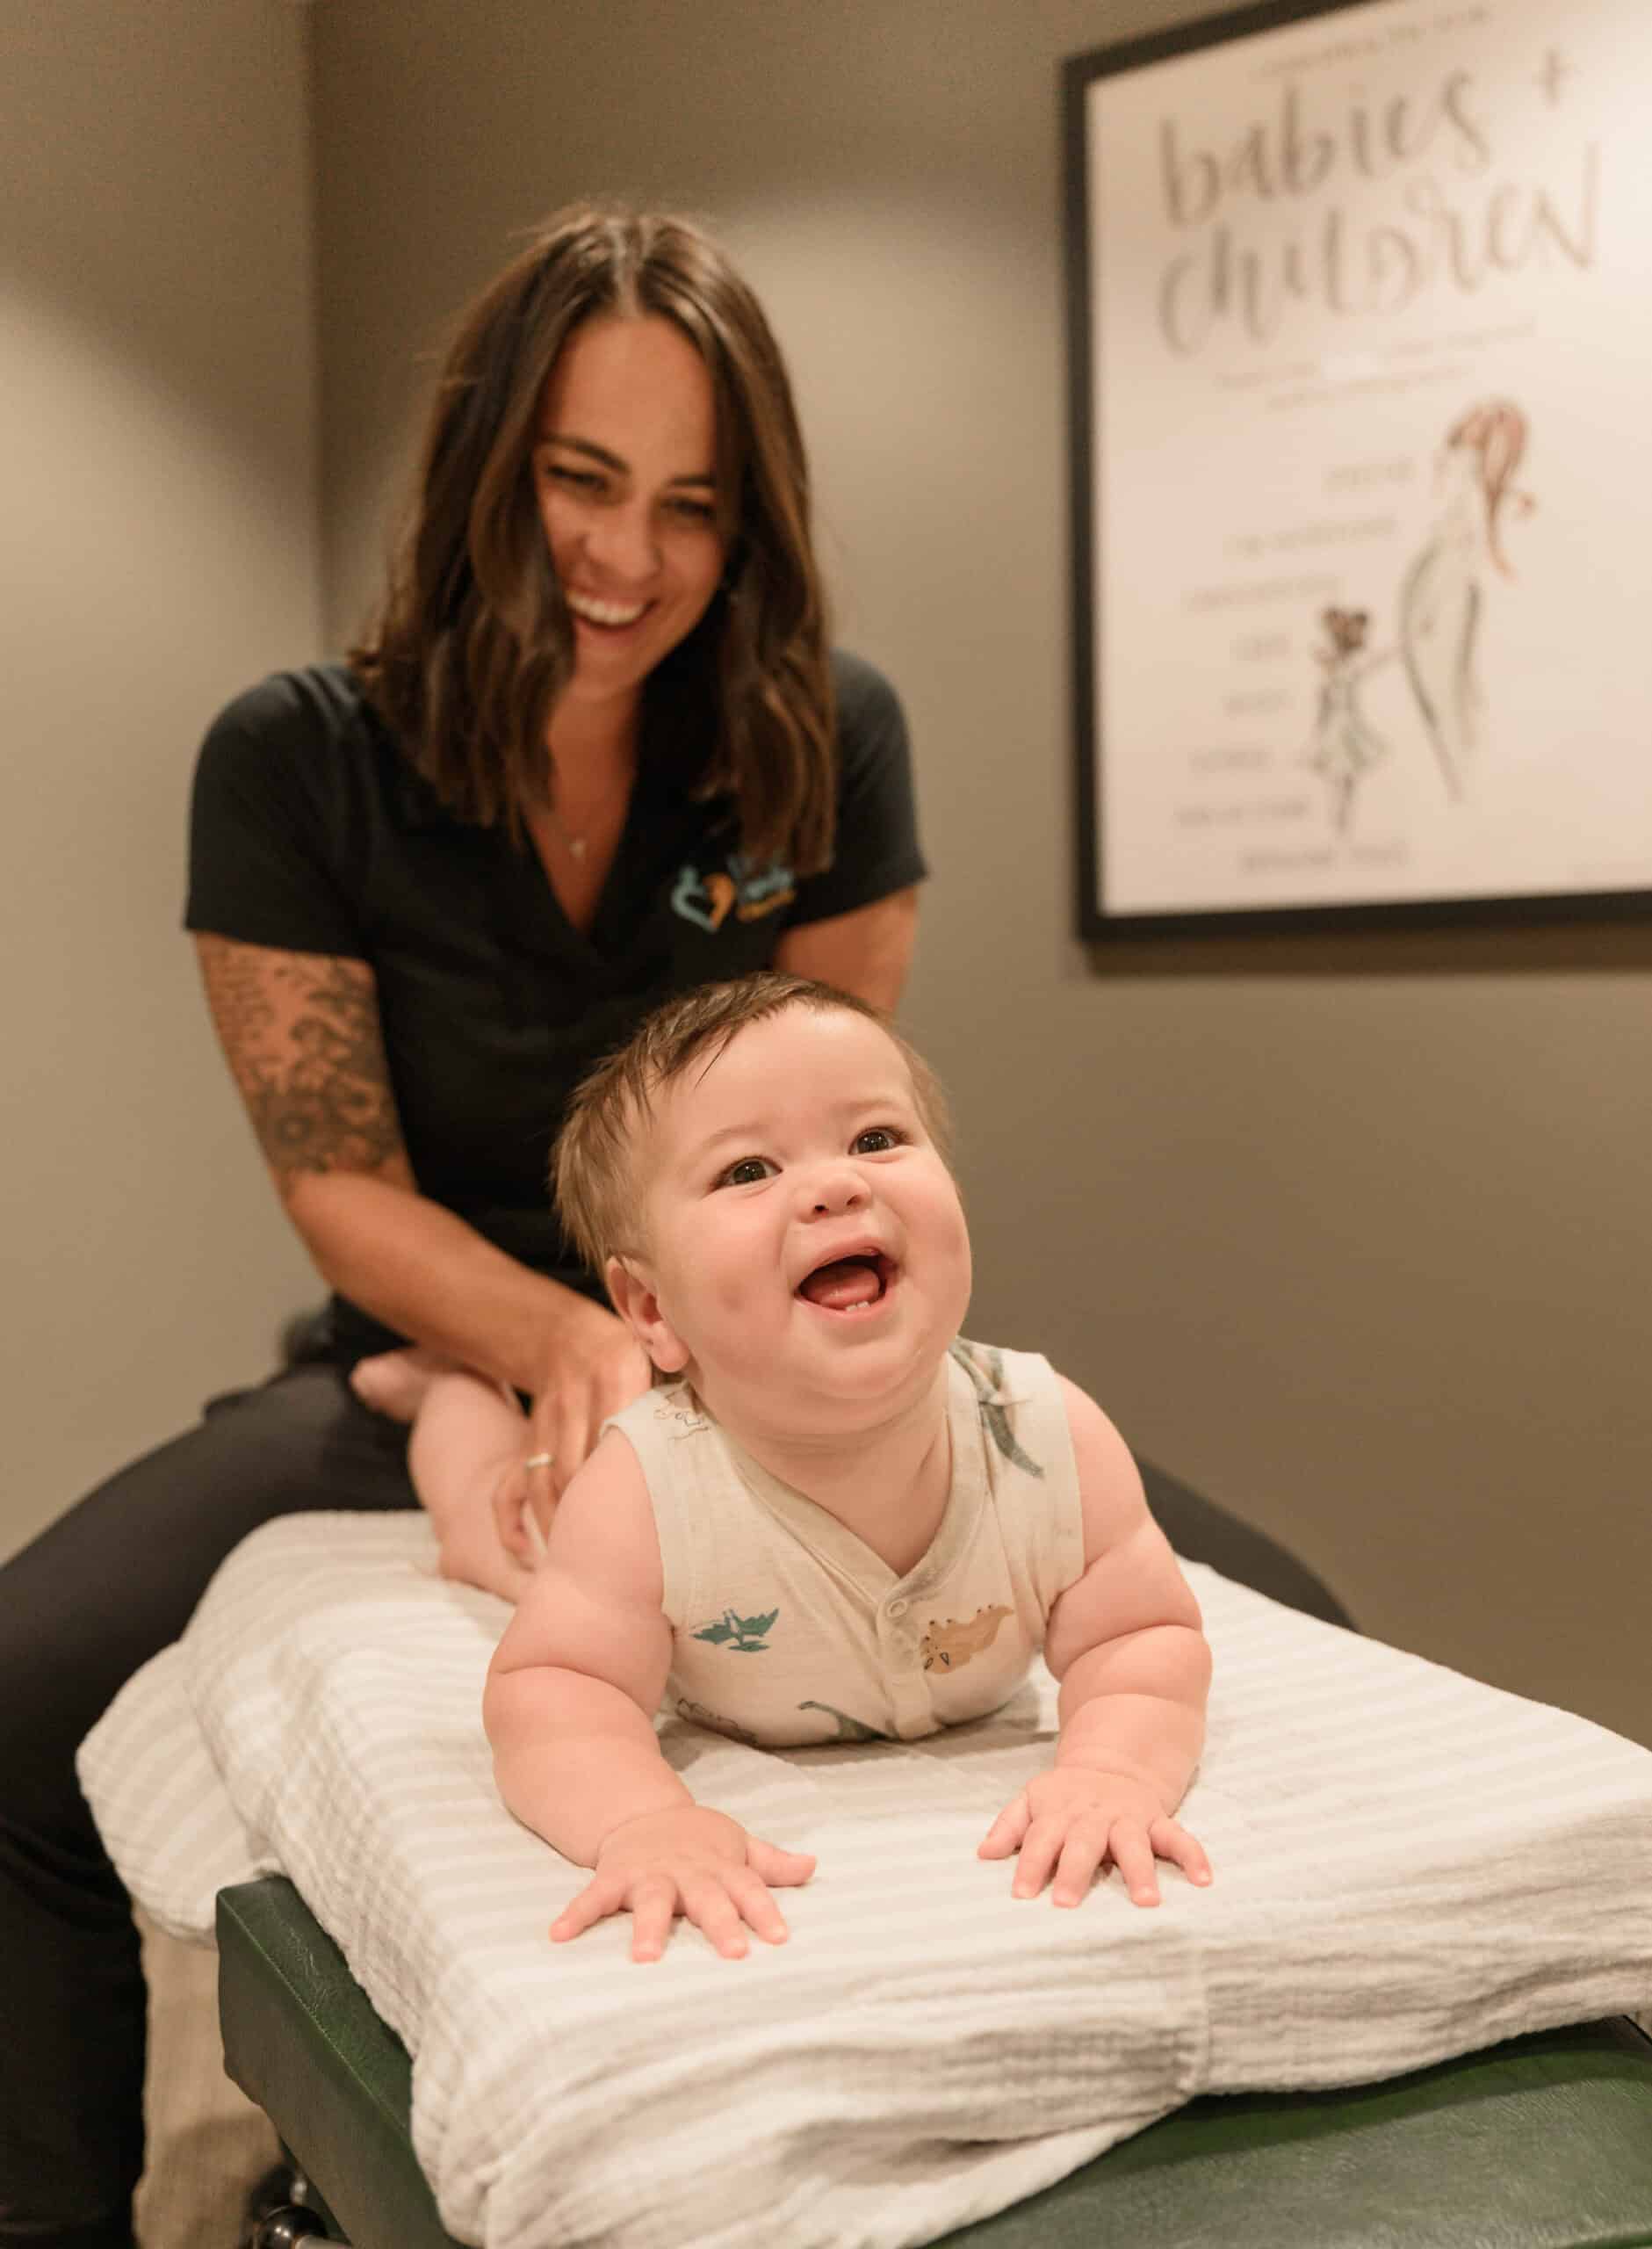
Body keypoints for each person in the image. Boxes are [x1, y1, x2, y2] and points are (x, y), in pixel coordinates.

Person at [0, 204, 927, 2249]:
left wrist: (708, 1349)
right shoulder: (294, 762)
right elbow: (338, 1182)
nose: (624, 556)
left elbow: (833, 1116)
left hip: (735, 1344)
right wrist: (546, 1346)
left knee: (1262, 1587)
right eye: (578, 481)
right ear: (484, 466)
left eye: (689, 504)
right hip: (408, 1335)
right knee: (8, 1697)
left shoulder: (814, 740)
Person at [376, 971, 1214, 1963]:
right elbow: (554, 1690)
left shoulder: (1044, 1437)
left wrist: (1113, 1770)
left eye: (876, 1139)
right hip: (636, 1554)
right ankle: (448, 1392)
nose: (835, 1183)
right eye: (747, 1171)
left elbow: (1143, 1638)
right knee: (496, 1528)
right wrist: (640, 1819)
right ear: (650, 1313)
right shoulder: (645, 1491)